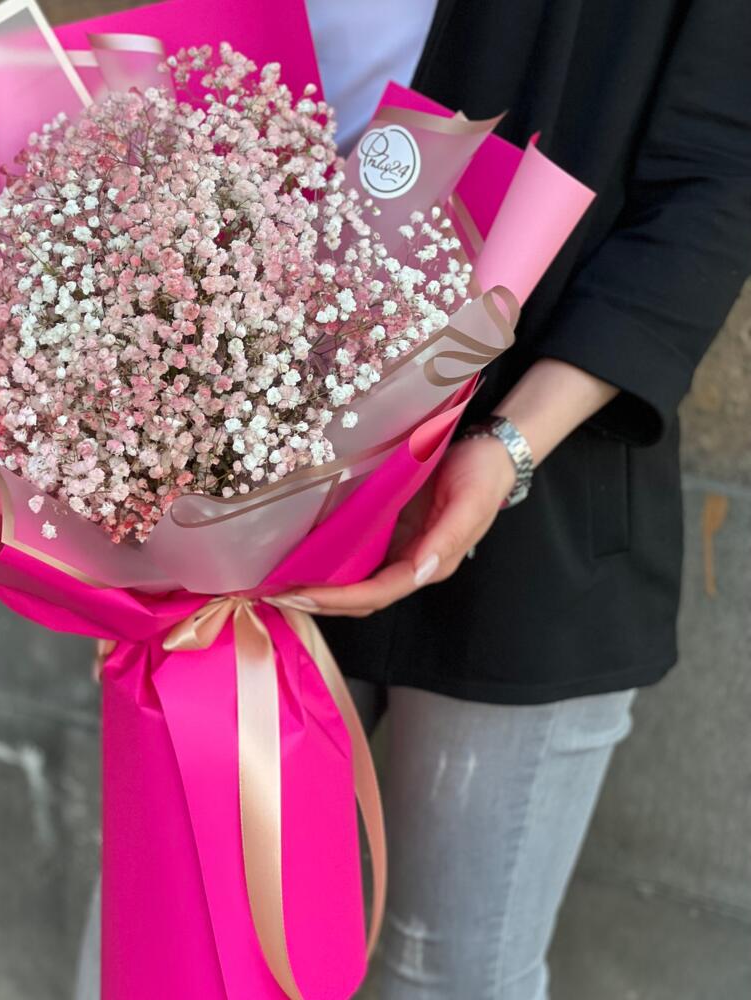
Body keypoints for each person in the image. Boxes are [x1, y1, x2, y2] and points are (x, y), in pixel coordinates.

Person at [294, 1, 751, 997]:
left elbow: (716, 178)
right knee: (190, 931)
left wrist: (508, 447)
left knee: (451, 973)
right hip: (255, 433)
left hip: (539, 470)